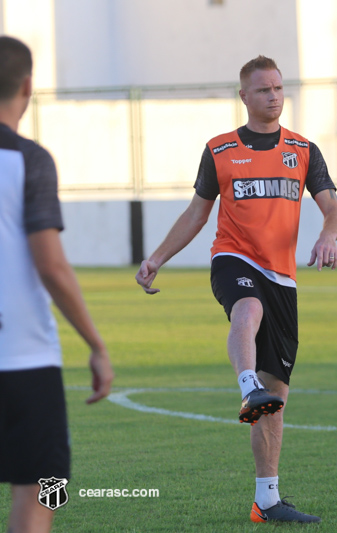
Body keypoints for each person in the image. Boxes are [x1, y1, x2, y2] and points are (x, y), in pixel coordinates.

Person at [135, 55, 337, 524]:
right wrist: (155, 259)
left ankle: (266, 501)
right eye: (264, 89)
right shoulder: (220, 150)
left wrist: (328, 234)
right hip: (234, 259)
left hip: (283, 280)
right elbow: (196, 215)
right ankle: (245, 384)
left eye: (278, 87)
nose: (274, 95)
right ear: (244, 96)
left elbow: (333, 209)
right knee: (245, 310)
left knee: (276, 400)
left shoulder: (303, 150)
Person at [0, 36, 115, 533]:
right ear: (28, 84)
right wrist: (95, 343)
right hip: (23, 358)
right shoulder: (29, 160)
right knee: (47, 487)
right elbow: (51, 265)